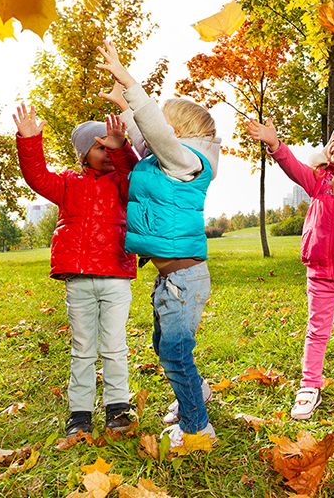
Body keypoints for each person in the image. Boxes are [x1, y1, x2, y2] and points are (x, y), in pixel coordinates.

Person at [96, 39, 221, 448]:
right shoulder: (163, 160)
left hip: (184, 279)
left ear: (178, 132)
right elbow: (144, 132)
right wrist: (126, 109)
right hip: (170, 280)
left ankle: (196, 428)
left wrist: (129, 82)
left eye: (162, 127)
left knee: (174, 352)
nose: (151, 136)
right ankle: (195, 392)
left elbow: (154, 131)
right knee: (165, 346)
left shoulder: (187, 160)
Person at [246, 117, 334, 420]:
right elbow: (294, 168)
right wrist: (274, 143)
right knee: (316, 331)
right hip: (321, 272)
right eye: (333, 138)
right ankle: (310, 385)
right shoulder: (319, 179)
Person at [13, 104, 140, 438]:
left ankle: (117, 406)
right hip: (79, 279)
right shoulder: (68, 183)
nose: (107, 152)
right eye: (100, 146)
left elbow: (133, 175)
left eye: (110, 145)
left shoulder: (124, 183)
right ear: (84, 154)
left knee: (114, 346)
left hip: (115, 276)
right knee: (82, 348)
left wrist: (122, 146)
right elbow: (37, 177)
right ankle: (80, 413)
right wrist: (30, 142)